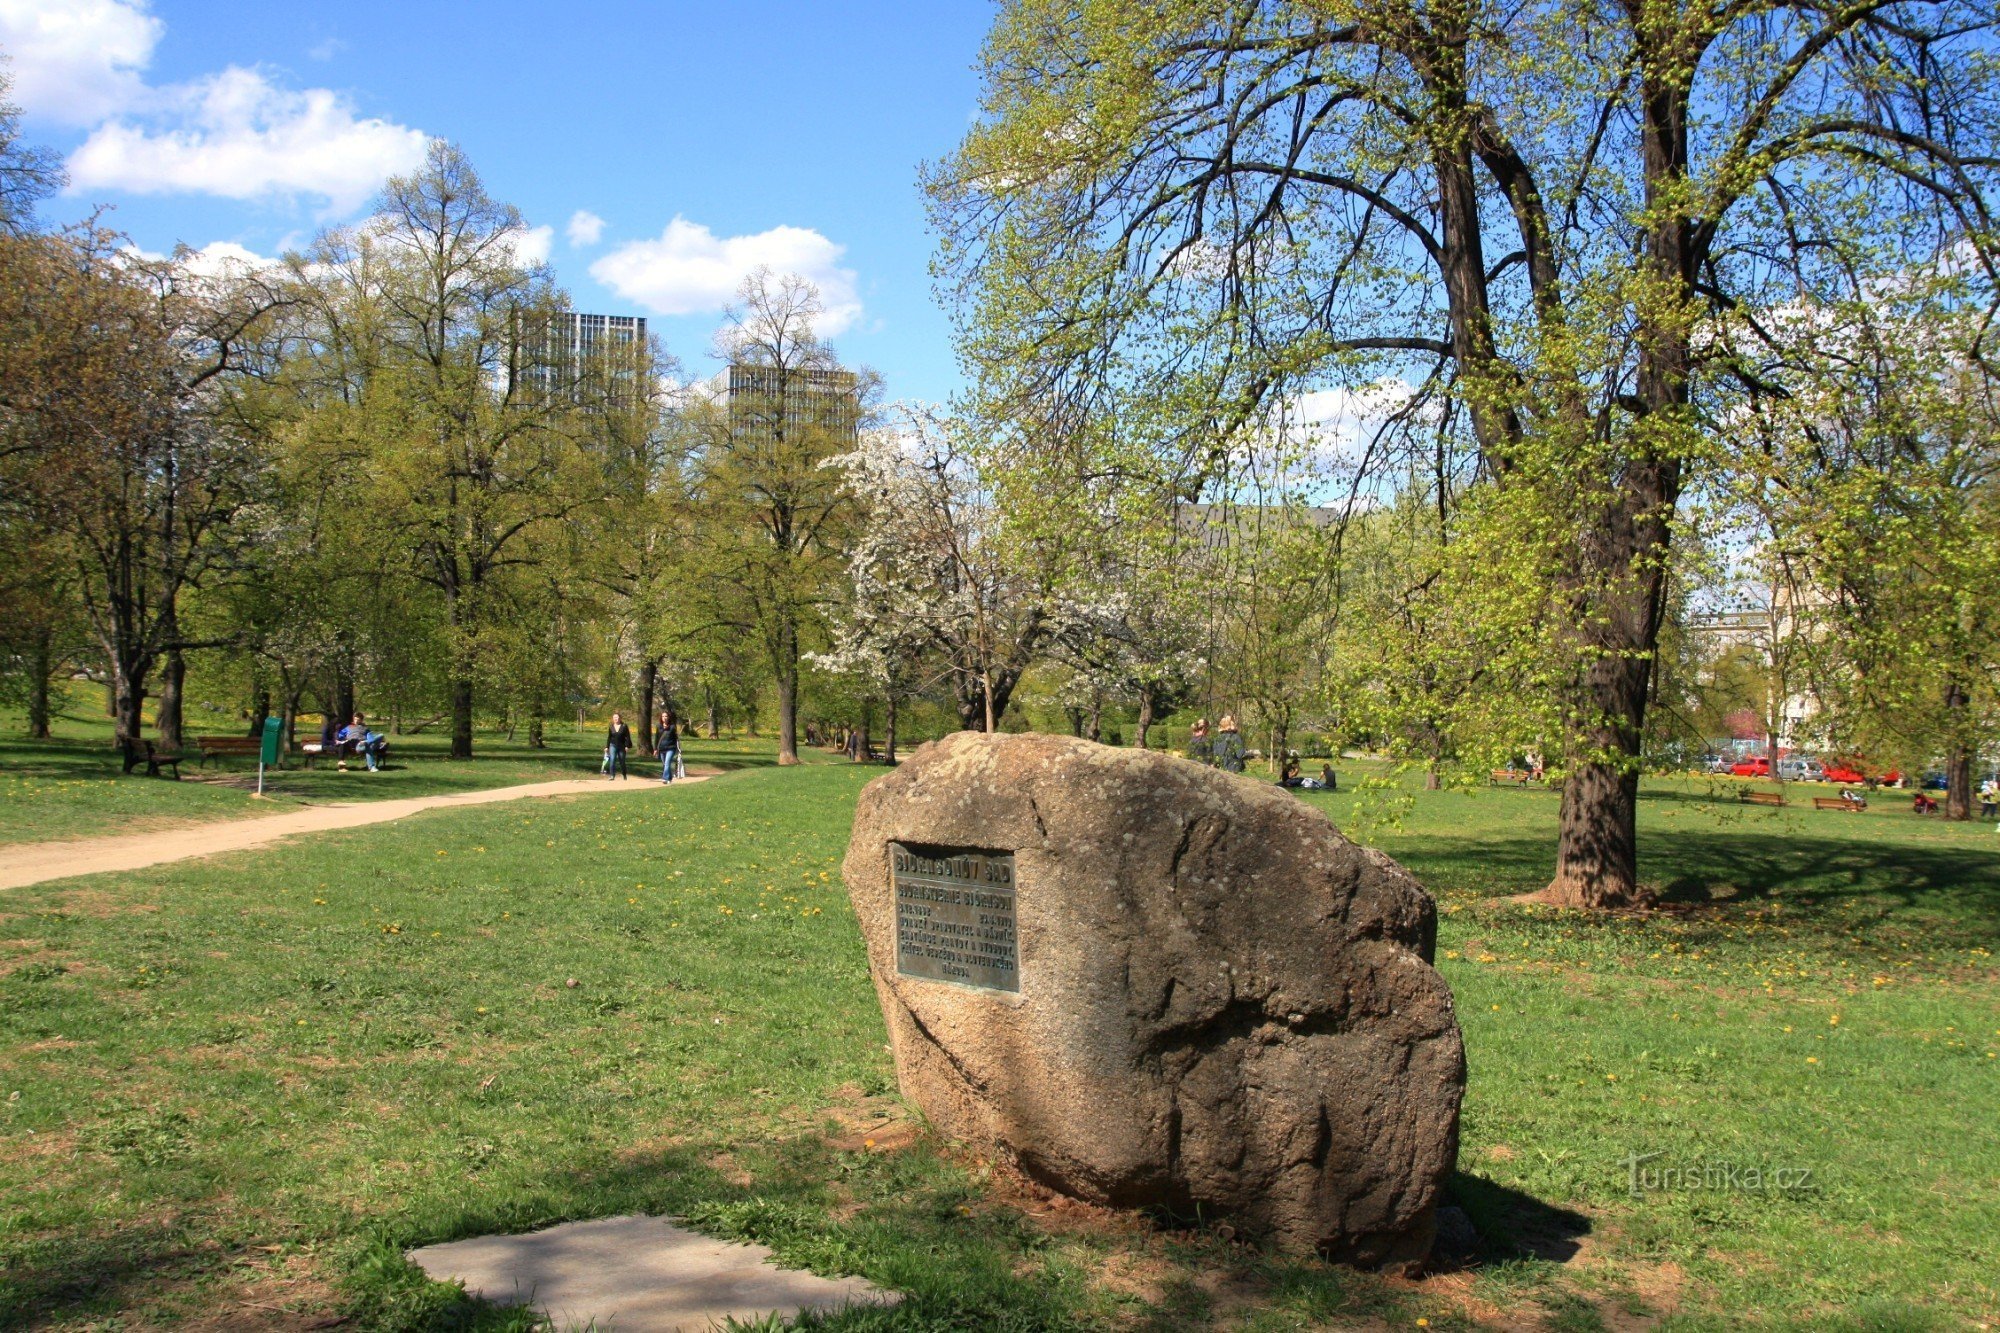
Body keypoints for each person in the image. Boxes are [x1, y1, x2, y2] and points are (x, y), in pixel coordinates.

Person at [604, 712, 632, 780]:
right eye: (615, 717)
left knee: (622, 761)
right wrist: (607, 747)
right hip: (612, 745)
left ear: (620, 718)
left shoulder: (624, 726)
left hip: (622, 746)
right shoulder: (611, 726)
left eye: (617, 717)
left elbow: (627, 737)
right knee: (612, 760)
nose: (616, 719)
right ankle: (612, 775)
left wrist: (627, 746)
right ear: (613, 719)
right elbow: (609, 737)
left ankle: (624, 774)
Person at [657, 708, 680, 784]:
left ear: (668, 717)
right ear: (661, 718)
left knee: (667, 763)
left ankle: (665, 778)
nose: (664, 718)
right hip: (662, 748)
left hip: (671, 748)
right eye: (663, 716)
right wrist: (655, 749)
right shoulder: (659, 726)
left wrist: (677, 748)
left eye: (666, 716)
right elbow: (657, 738)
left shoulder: (672, 727)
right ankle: (669, 778)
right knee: (665, 764)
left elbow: (676, 739)